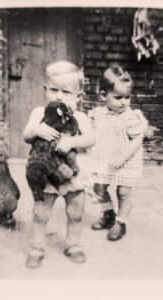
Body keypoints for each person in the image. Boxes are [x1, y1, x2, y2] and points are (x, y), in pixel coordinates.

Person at [23, 60, 95, 267]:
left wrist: (72, 141)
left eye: (66, 92)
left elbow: (91, 138)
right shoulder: (39, 114)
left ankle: (72, 243)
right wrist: (36, 130)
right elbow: (26, 135)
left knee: (76, 211)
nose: (59, 96)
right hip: (46, 173)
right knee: (40, 212)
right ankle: (37, 246)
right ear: (45, 90)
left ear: (78, 97)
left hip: (73, 175)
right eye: (54, 90)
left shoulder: (79, 117)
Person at [88, 64, 148, 241]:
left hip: (126, 161)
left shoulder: (131, 116)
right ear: (103, 95)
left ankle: (121, 223)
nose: (124, 102)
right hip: (104, 159)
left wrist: (123, 157)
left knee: (123, 193)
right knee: (98, 188)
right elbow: (91, 135)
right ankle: (108, 214)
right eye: (118, 97)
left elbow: (138, 139)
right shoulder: (97, 114)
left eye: (127, 97)